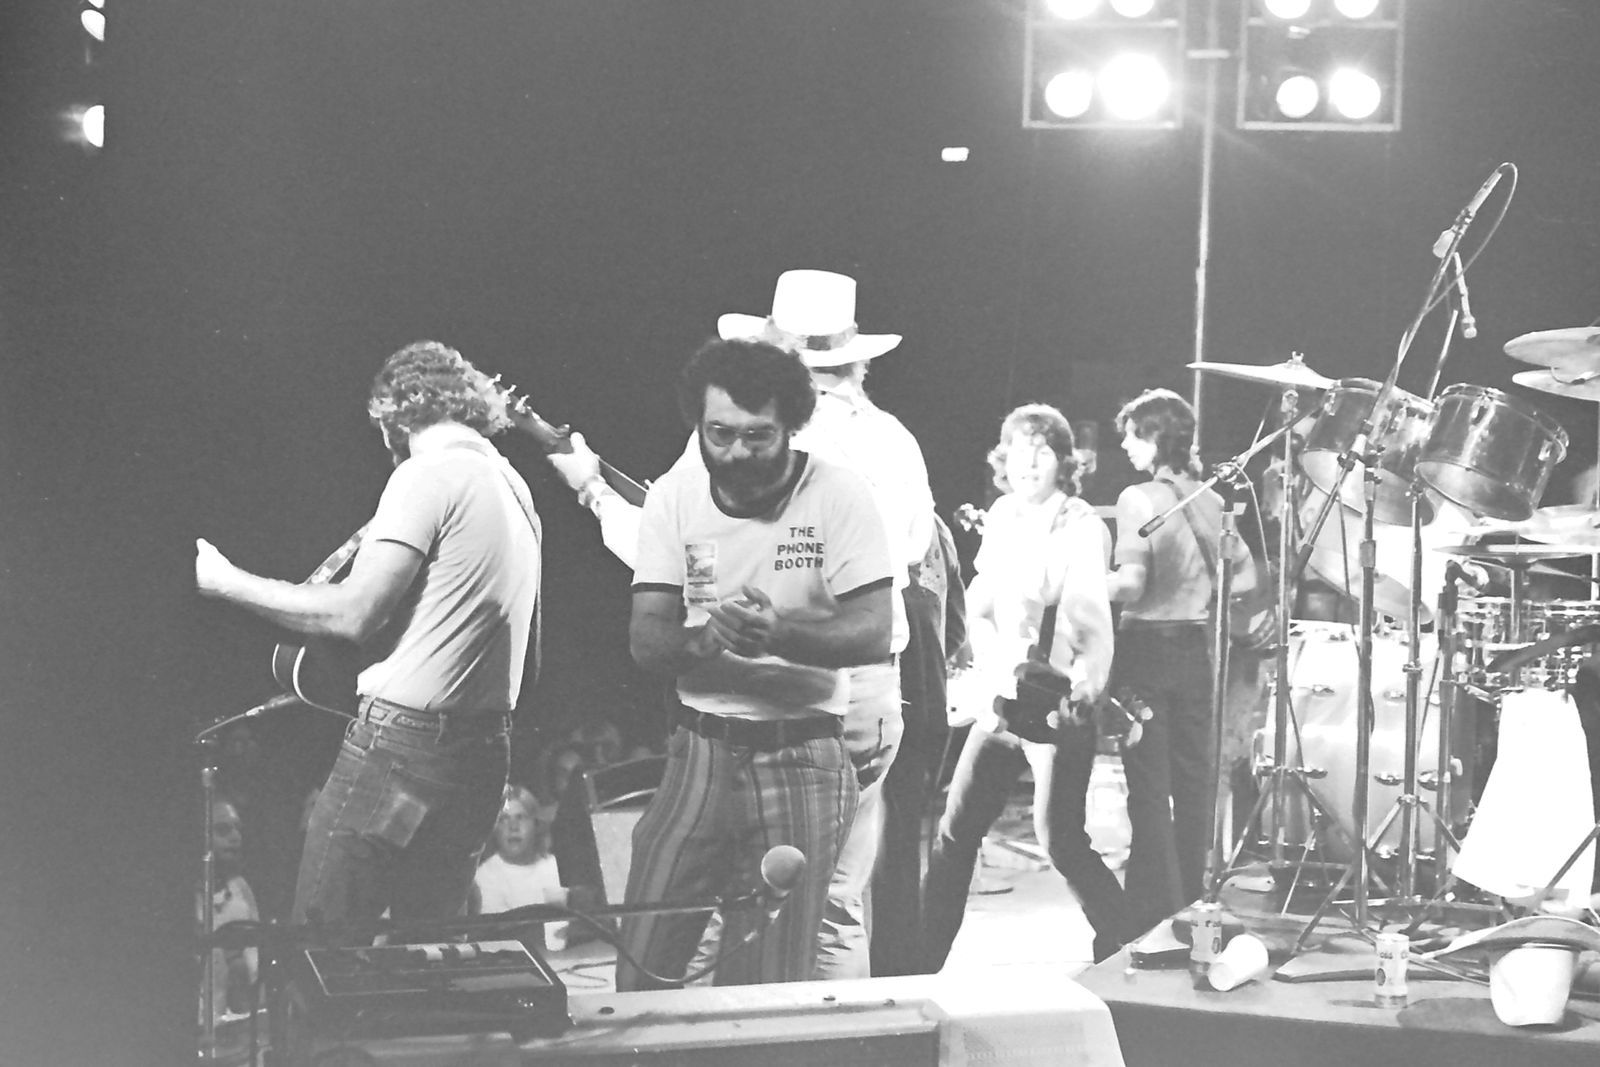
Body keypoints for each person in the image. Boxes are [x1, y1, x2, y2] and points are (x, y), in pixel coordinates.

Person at [550, 269, 937, 979]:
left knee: (723, 915)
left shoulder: (755, 438)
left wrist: (594, 492)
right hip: (870, 688)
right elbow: (910, 559)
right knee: (827, 908)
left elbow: (665, 552)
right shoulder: (893, 440)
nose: (738, 447)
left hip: (797, 698)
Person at [195, 340, 542, 931]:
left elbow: (355, 614)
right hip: (485, 754)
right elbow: (526, 662)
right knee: (424, 946)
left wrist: (226, 583)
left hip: (403, 753)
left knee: (322, 942)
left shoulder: (425, 474)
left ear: (393, 411)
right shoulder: (514, 487)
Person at [618, 336, 894, 989]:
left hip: (802, 750)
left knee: (765, 981)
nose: (736, 451)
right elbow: (646, 637)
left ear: (790, 427)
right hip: (699, 748)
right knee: (642, 960)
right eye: (719, 433)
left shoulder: (839, 494)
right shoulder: (675, 496)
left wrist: (781, 634)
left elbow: (875, 631)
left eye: (757, 435)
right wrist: (701, 643)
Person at [921, 404, 1132, 966]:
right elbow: (983, 598)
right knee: (955, 831)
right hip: (1002, 699)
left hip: (1055, 700)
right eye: (1018, 451)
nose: (1028, 463)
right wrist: (979, 653)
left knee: (1060, 839)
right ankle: (920, 959)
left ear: (1063, 462)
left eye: (1041, 452)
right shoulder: (1002, 515)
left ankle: (1125, 941)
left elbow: (1091, 621)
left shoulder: (1081, 525)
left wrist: (1084, 690)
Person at [1107, 387, 1254, 935]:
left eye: (1131, 435)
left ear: (1153, 437)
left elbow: (1130, 584)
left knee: (1148, 787)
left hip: (1145, 650)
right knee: (1194, 785)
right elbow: (1248, 577)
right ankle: (1194, 904)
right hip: (1196, 650)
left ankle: (1151, 913)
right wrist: (1202, 591)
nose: (1125, 446)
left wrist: (1076, 581)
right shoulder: (1211, 501)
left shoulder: (1138, 499)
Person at [474, 784, 580, 949]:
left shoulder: (555, 866)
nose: (513, 827)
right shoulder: (485, 876)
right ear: (494, 828)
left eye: (521, 817)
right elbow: (498, 939)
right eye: (504, 819)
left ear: (536, 824)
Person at [199, 795, 260, 1024]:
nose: (236, 837)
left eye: (238, 829)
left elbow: (257, 960)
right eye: (223, 830)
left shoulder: (240, 887)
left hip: (239, 1024)